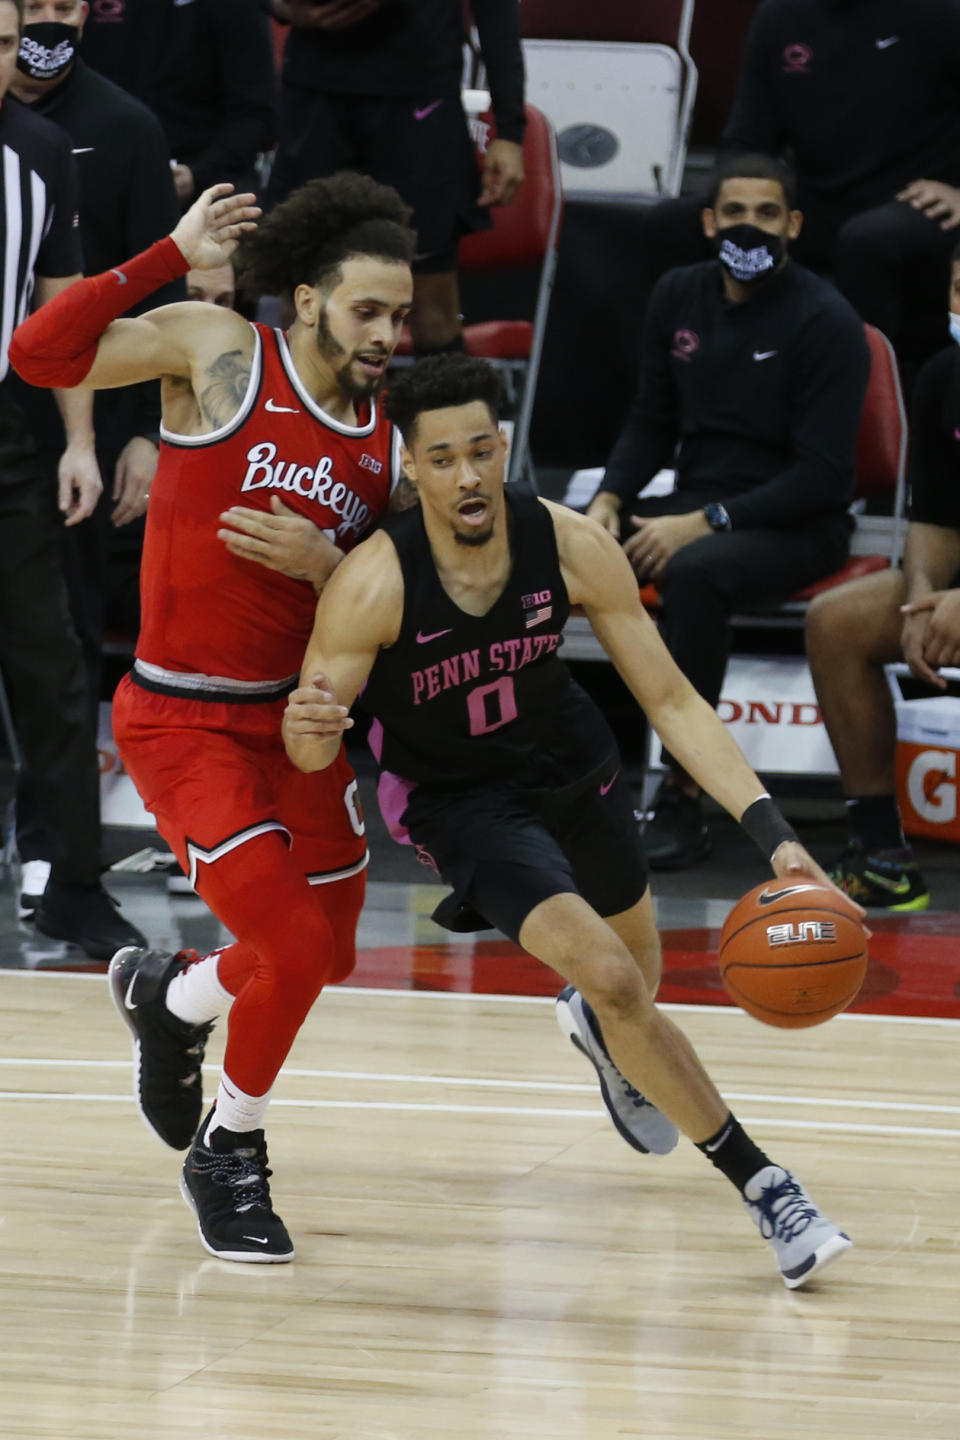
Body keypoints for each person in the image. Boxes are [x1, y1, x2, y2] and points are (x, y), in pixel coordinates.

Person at [282, 352, 857, 1291]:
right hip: (458, 802)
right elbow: (312, 752)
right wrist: (308, 734)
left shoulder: (567, 543)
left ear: (504, 447)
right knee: (612, 977)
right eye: (442, 458)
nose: (467, 475)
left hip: (571, 763)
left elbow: (671, 699)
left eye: (482, 450)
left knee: (638, 982)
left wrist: (774, 833)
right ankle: (769, 1189)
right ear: (410, 467)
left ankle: (601, 1030)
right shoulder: (373, 583)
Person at [11, 171, 417, 1262]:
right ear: (309, 299)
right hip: (184, 722)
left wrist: (332, 561)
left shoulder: (390, 439)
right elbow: (37, 357)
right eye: (367, 309)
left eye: (401, 314)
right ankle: (229, 1150)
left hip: (300, 724)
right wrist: (159, 255)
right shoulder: (218, 349)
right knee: (283, 940)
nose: (387, 333)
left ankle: (175, 997)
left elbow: (404, 599)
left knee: (322, 957)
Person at [586, 155, 871, 869]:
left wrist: (704, 521)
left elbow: (824, 475)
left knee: (694, 574)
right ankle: (550, 785)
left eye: (768, 214)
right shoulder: (678, 294)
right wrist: (609, 500)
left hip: (798, 524)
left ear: (794, 225)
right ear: (710, 222)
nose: (752, 227)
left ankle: (685, 796)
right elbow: (651, 419)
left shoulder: (826, 319)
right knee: (555, 547)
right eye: (736, 213)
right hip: (691, 503)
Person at [8, 0, 182, 923]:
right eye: (27, 8)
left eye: (62, 6)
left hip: (70, 419)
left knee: (59, 650)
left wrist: (142, 432)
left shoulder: (118, 129)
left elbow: (161, 294)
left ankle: (55, 862)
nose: (43, 24)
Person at [642, 0, 960, 380]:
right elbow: (746, 139)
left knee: (868, 241)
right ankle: (677, 391)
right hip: (814, 201)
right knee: (672, 223)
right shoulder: (781, 15)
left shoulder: (942, 12)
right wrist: (737, 201)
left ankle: (864, 407)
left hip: (917, 204)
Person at [805, 243, 960, 911]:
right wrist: (926, 600)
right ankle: (880, 857)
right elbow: (934, 520)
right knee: (837, 621)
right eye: (959, 283)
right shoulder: (945, 378)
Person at [266, 0, 525, 354]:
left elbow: (496, 11)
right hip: (317, 99)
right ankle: (316, 409)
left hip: (419, 102)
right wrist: (282, 6)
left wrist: (510, 131)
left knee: (433, 311)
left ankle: (443, 411)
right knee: (307, 305)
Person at [80, 0, 276, 204]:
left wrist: (196, 173)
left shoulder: (233, 7)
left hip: (205, 171)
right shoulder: (79, 11)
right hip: (105, 163)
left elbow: (256, 114)